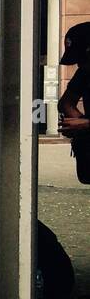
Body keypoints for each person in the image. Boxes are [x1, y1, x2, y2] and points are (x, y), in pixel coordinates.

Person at [58, 21, 90, 184]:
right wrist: (75, 123)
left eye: (82, 59)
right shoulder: (84, 73)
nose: (80, 64)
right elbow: (65, 103)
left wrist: (85, 125)